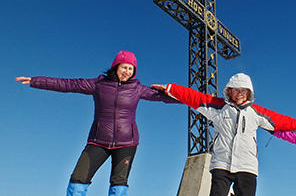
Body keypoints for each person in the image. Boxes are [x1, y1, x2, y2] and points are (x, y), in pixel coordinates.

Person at [16, 50, 180, 196]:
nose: (127, 72)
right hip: (98, 140)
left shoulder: (136, 88)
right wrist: (35, 81)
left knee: (119, 183)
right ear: (116, 66)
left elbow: (164, 98)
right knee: (78, 179)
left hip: (127, 142)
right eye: (124, 67)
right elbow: (68, 84)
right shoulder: (99, 84)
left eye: (131, 69)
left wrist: (191, 98)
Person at [152, 73, 296, 196]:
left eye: (243, 90)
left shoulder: (256, 113)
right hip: (221, 165)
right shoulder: (217, 108)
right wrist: (170, 88)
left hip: (247, 166)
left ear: (249, 93)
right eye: (235, 90)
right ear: (228, 91)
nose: (239, 94)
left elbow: (281, 120)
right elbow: (194, 97)